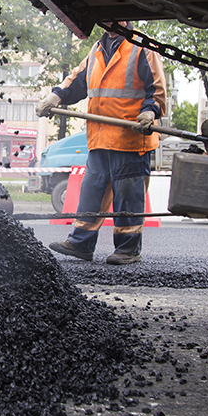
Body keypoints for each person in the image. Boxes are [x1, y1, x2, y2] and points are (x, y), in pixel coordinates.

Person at [36, 25, 167, 265]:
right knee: (91, 191)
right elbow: (77, 81)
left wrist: (150, 112)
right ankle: (81, 243)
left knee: (128, 196)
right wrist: (56, 95)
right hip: (100, 138)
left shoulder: (142, 48)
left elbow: (156, 90)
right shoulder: (97, 49)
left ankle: (128, 250)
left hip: (130, 138)